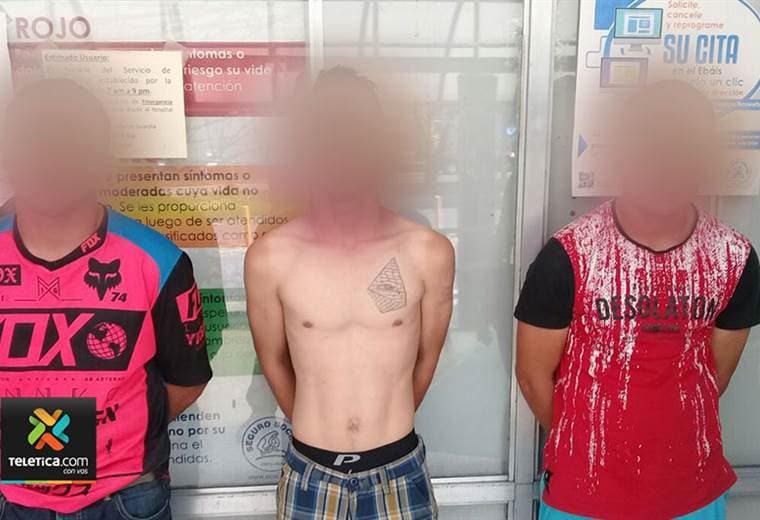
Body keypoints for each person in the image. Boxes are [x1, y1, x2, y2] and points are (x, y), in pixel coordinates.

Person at [514, 79, 760, 520]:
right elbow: (533, 377)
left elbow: (714, 374)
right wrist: (591, 441)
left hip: (693, 493)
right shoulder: (568, 255)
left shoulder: (735, 257)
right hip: (584, 495)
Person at [245, 67, 454, 520]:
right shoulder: (271, 257)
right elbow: (274, 362)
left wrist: (384, 430)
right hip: (310, 471)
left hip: (399, 468)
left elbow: (426, 359)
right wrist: (321, 433)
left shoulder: (426, 251)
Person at [0, 79, 212, 519]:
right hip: (12, 498)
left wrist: (107, 440)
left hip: (127, 498)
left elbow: (187, 380)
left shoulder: (159, 260)